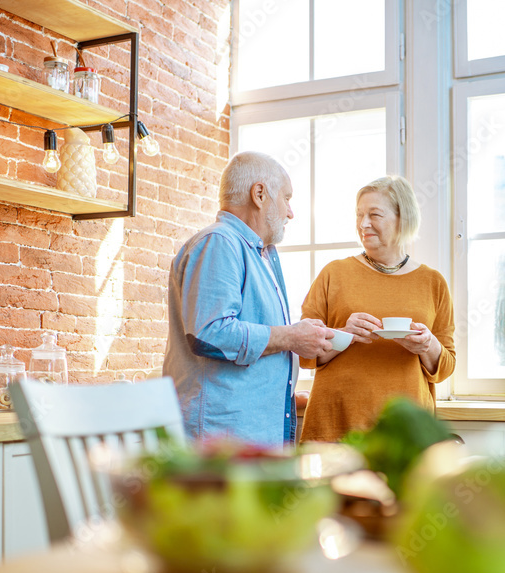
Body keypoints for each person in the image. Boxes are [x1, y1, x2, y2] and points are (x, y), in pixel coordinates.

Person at [163, 152, 334, 446]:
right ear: (259, 194)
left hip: (245, 439)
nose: (290, 212)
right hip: (219, 444)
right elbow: (210, 334)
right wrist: (291, 337)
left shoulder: (261, 253)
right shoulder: (219, 242)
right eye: (286, 198)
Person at [299, 175, 455, 442]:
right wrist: (344, 334)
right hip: (337, 422)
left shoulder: (433, 282)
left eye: (374, 214)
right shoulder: (333, 273)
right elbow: (305, 352)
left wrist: (427, 345)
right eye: (359, 215)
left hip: (406, 430)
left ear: (402, 219)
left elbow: (446, 366)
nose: (363, 224)